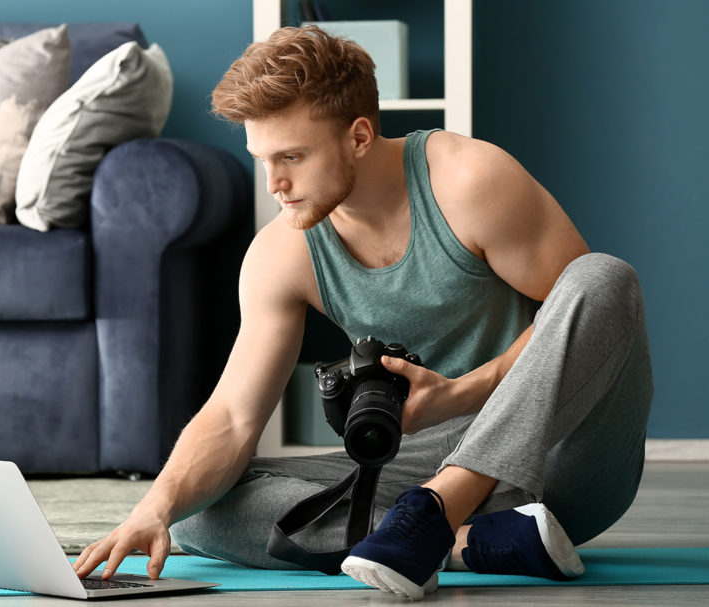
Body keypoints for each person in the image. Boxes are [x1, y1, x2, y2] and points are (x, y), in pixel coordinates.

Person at [73, 25, 653, 600]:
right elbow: (232, 417)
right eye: (263, 159)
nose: (275, 183)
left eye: (293, 157)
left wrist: (463, 393)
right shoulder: (283, 252)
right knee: (195, 515)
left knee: (603, 275)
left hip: (559, 456)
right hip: (431, 463)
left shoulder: (469, 180)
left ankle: (436, 513)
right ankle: (468, 542)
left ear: (358, 136)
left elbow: (588, 320)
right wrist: (153, 506)